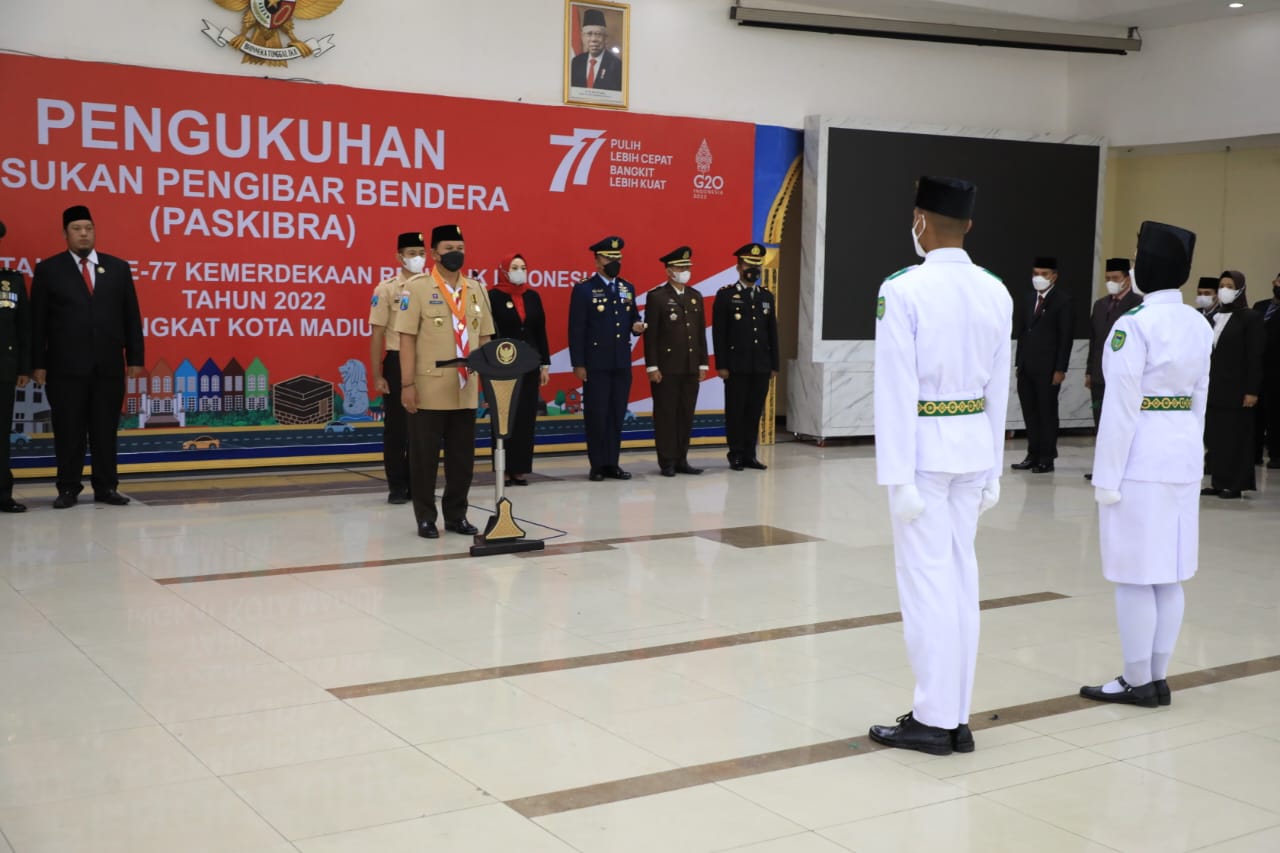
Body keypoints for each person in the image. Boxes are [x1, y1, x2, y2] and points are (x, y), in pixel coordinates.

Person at [868, 176, 1013, 756]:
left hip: (925, 454)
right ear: (969, 225)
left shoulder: (903, 288)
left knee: (926, 584)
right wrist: (995, 466)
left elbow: (895, 389)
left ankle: (932, 719)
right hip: (973, 448)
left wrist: (897, 477)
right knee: (960, 579)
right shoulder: (995, 290)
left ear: (920, 221)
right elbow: (999, 386)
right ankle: (957, 716)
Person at [1081, 221, 1212, 709]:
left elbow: (1120, 409)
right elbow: (1200, 398)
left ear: (1147, 269)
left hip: (1139, 456)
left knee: (1134, 572)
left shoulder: (1133, 325)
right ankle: (1158, 677)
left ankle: (1137, 680)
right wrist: (1194, 451)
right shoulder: (1198, 323)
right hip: (1181, 451)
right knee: (1169, 573)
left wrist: (1106, 477)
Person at [31, 205, 144, 508]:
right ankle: (68, 488)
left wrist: (135, 357)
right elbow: (37, 322)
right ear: (65, 233)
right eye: (77, 229)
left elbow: (131, 316)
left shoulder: (117, 268)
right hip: (64, 367)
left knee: (105, 430)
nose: (83, 234)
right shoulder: (49, 270)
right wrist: (37, 363)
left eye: (89, 228)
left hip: (108, 366)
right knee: (69, 430)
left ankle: (106, 487)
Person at [395, 224, 494, 538]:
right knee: (424, 459)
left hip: (466, 388)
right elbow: (406, 340)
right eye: (449, 249)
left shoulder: (476, 289)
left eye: (460, 248)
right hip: (429, 388)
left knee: (462, 460)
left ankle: (456, 515)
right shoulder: (417, 288)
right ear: (434, 254)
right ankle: (425, 517)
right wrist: (407, 385)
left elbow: (486, 338)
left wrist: (491, 385)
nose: (456, 254)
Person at [568, 236, 646, 481]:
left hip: (621, 362)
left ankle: (613, 463)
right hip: (596, 363)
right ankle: (597, 465)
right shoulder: (584, 289)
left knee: (616, 414)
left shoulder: (626, 288)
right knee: (597, 415)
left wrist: (637, 327)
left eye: (617, 258)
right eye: (608, 258)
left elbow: (633, 318)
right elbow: (576, 329)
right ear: (597, 261)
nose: (614, 262)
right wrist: (578, 363)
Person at [369, 231, 425, 505]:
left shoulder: (431, 288)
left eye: (422, 253)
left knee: (423, 429)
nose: (418, 258)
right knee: (397, 429)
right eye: (412, 253)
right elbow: (377, 334)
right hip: (396, 361)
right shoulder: (386, 289)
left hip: (425, 362)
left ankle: (418, 484)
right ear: (399, 257)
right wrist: (377, 375)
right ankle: (397, 486)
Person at [713, 243, 779, 471]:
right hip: (736, 366)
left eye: (757, 265)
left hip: (761, 365)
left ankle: (750, 454)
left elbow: (772, 333)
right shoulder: (726, 295)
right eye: (749, 264)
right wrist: (722, 364)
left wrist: (774, 364)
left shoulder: (766, 296)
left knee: (754, 411)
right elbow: (719, 334)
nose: (753, 269)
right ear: (739, 266)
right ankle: (736, 454)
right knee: (736, 411)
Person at [644, 246, 708, 477]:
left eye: (687, 267)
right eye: (680, 268)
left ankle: (682, 459)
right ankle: (667, 461)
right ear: (669, 271)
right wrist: (652, 366)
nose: (685, 271)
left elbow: (700, 333)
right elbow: (651, 336)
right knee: (666, 415)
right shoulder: (657, 297)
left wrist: (702, 363)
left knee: (685, 414)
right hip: (667, 367)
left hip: (690, 366)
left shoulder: (695, 296)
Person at [488, 253, 551, 486]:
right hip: (503, 364)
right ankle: (503, 468)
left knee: (525, 416)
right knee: (504, 416)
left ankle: (520, 468)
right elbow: (489, 333)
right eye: (514, 267)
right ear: (504, 270)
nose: (519, 271)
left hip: (530, 364)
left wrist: (545, 364)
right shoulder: (492, 296)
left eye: (523, 267)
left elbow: (540, 331)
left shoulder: (532, 296)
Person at [1202, 270, 1263, 500]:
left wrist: (1252, 390)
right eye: (1222, 286)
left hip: (1238, 389)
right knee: (1216, 436)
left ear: (1240, 290)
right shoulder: (1214, 317)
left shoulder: (1250, 318)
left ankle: (1236, 483)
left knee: (1236, 437)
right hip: (1214, 387)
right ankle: (1218, 481)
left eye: (1229, 286)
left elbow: (1255, 356)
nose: (1224, 290)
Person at [1012, 256, 1073, 474]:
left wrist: (1060, 368)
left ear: (1054, 276)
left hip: (1048, 369)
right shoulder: (1028, 298)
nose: (1039, 278)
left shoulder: (1063, 301)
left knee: (1046, 413)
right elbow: (1022, 332)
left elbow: (1065, 338)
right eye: (1036, 273)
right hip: (1027, 367)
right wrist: (1019, 363)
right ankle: (1032, 454)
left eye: (1044, 274)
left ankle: (1047, 457)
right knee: (1030, 412)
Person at [1083, 259, 1142, 481]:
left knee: (1121, 423)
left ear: (1127, 279)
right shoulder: (1100, 305)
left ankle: (1125, 466)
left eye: (1115, 278)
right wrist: (1090, 370)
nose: (1111, 282)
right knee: (1101, 420)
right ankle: (1103, 465)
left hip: (1124, 376)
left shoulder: (1138, 304)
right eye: (1108, 278)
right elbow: (1095, 341)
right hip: (1099, 375)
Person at [0, 219, 31, 513]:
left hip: (3, 370)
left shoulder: (11, 282)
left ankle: (2, 494)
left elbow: (24, 328)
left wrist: (24, 367)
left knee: (1, 435)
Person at [1249, 273, 1280, 469]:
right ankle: (1254, 453)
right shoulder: (1260, 306)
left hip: (1276, 370)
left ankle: (1276, 454)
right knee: (1255, 414)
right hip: (1257, 367)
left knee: (1275, 414)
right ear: (1274, 282)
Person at [569, 8, 623, 91]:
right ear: (582, 37)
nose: (593, 39)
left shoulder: (617, 65)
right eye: (589, 34)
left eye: (598, 34)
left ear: (605, 38)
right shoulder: (576, 62)